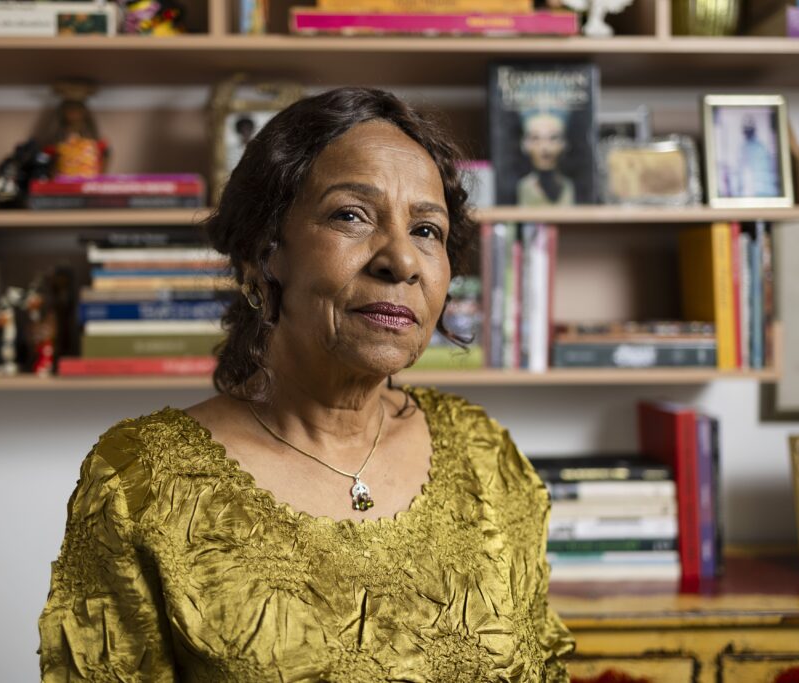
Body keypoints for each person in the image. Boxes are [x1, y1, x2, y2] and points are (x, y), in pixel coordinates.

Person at [38, 87, 575, 681]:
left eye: (427, 229)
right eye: (351, 215)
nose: (402, 260)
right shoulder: (140, 482)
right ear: (265, 253)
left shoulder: (486, 457)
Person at [516, 110, 575, 207]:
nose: (545, 148)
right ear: (525, 145)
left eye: (553, 138)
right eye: (536, 138)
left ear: (564, 144)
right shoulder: (523, 187)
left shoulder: (569, 186)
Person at [734, 114, 779, 198]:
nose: (747, 133)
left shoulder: (759, 148)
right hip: (756, 194)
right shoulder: (746, 148)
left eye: (748, 130)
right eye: (746, 130)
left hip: (762, 194)